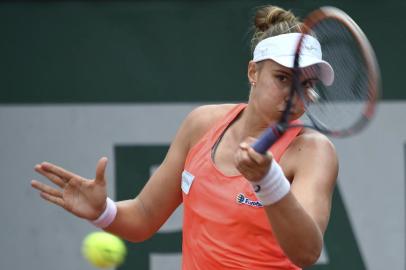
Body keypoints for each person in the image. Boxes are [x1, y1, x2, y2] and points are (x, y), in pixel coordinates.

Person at [31, 5, 338, 270]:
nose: (294, 94)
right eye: (282, 78)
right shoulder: (202, 124)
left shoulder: (312, 151)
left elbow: (307, 252)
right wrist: (103, 212)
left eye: (306, 83)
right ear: (253, 72)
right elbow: (144, 216)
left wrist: (268, 180)